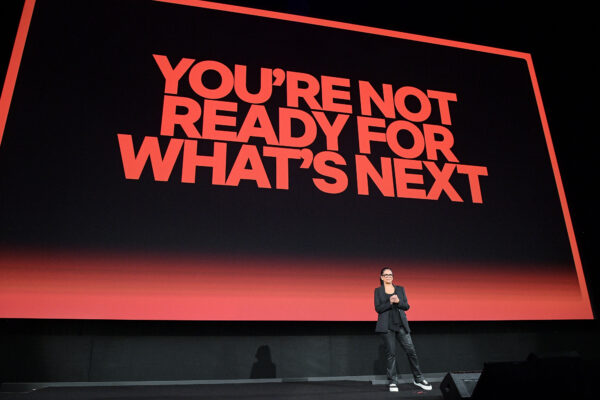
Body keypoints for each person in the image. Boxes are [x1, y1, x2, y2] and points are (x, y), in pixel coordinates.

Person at [374, 267, 432, 392]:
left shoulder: (400, 289)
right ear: (381, 277)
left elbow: (406, 306)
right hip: (387, 326)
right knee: (391, 354)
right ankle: (393, 381)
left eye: (390, 274)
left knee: (411, 351)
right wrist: (389, 302)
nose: (389, 276)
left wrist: (399, 301)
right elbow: (378, 309)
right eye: (386, 274)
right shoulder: (378, 291)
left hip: (401, 325)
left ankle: (418, 378)